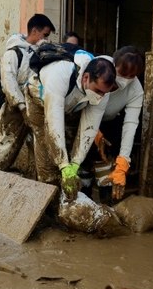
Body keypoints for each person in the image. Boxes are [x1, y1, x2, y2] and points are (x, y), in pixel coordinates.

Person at [24, 51, 116, 200]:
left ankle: (66, 198)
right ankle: (48, 199)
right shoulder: (60, 74)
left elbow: (89, 129)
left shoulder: (101, 90)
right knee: (46, 149)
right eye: (98, 91)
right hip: (39, 101)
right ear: (86, 77)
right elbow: (53, 126)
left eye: (104, 93)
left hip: (71, 105)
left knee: (71, 145)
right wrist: (63, 166)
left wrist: (75, 163)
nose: (101, 97)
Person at [0, 13, 55, 171]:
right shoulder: (13, 53)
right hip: (14, 109)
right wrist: (22, 106)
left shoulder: (42, 54)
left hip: (36, 107)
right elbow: (8, 81)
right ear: (34, 31)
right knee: (8, 146)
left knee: (36, 145)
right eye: (45, 35)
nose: (46, 40)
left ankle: (33, 180)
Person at [92, 46, 145, 201]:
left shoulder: (136, 90)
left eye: (132, 75)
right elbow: (82, 101)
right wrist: (93, 130)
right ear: (114, 64)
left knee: (107, 162)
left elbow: (130, 124)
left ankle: (106, 203)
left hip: (110, 122)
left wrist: (123, 161)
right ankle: (83, 196)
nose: (126, 79)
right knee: (83, 163)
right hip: (84, 118)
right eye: (122, 73)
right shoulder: (99, 67)